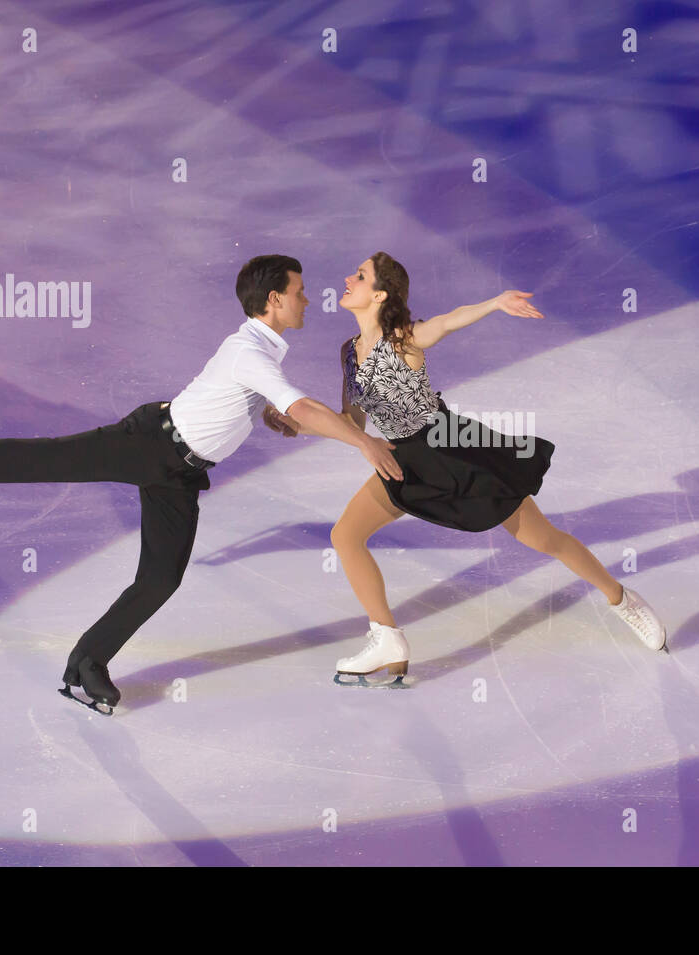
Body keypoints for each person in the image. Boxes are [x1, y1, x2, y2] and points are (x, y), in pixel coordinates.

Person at [0, 255, 402, 713]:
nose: (307, 300)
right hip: (149, 442)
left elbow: (290, 410)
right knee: (38, 461)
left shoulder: (263, 353)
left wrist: (278, 417)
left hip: (181, 471)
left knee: (160, 578)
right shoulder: (250, 350)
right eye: (298, 293)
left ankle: (87, 663)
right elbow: (303, 405)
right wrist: (364, 442)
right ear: (273, 301)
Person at [263, 252, 665, 686]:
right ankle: (386, 638)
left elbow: (448, 321)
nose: (347, 278)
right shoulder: (348, 353)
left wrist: (494, 303)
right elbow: (352, 425)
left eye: (359, 276)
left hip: (450, 451)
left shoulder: (404, 339)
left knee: (543, 538)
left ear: (379, 294)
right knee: (345, 535)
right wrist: (298, 426)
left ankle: (621, 599)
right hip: (400, 459)